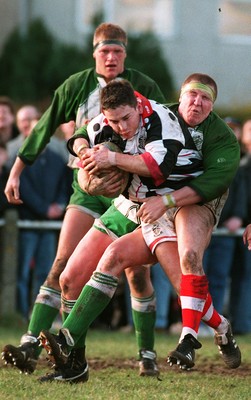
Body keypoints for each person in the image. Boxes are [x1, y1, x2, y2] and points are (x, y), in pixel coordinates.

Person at [38, 75, 241, 383]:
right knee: (69, 278)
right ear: (180, 96)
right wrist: (87, 169)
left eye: (205, 98)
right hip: (130, 205)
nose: (120, 126)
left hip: (170, 206)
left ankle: (199, 333)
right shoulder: (125, 115)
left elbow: (160, 170)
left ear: (137, 106)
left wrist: (111, 159)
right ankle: (74, 363)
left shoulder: (167, 122)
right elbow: (82, 135)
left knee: (183, 274)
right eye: (191, 96)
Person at [2, 22, 166, 376]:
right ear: (94, 53)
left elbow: (166, 132)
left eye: (118, 52)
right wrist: (16, 171)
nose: (111, 57)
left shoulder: (145, 86)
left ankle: (146, 353)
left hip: (132, 192)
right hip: (86, 190)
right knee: (62, 264)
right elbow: (44, 126)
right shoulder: (77, 85)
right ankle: (34, 343)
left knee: (136, 274)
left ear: (125, 54)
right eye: (105, 51)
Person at [203, 117, 246, 316]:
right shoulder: (203, 155)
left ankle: (215, 321)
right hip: (201, 228)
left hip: (225, 232)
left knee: (219, 277)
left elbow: (241, 194)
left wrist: (237, 215)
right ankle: (195, 322)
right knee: (196, 277)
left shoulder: (238, 164)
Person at [229, 118, 251, 334]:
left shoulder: (243, 166)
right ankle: (242, 325)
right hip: (242, 230)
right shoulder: (243, 166)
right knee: (243, 277)